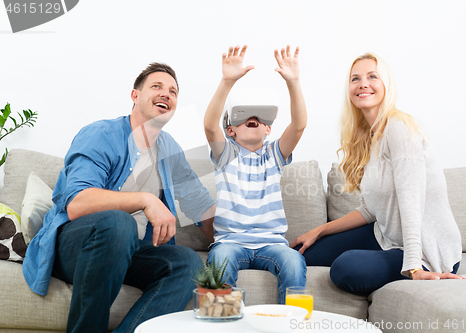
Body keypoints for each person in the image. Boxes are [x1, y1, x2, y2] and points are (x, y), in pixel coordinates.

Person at [23, 63, 217, 333]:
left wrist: (251, 236)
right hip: (79, 249)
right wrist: (147, 200)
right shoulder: (101, 134)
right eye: (157, 86)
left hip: (131, 253)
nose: (166, 94)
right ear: (135, 96)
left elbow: (202, 210)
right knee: (118, 223)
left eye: (173, 91)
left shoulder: (170, 148)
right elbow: (78, 202)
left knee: (188, 262)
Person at [290, 52, 464, 295]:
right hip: (386, 237)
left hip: (426, 250)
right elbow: (371, 210)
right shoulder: (369, 136)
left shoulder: (399, 128)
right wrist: (318, 230)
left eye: (373, 76)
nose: (363, 84)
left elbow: (411, 201)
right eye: (355, 79)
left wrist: (414, 268)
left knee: (346, 268)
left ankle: (412, 265)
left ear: (386, 85)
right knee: (302, 254)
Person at [203, 45, 308, 304]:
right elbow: (209, 125)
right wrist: (227, 81)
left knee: (294, 261)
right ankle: (220, 323)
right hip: (230, 241)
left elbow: (299, 125)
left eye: (261, 118)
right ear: (230, 131)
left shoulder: (274, 154)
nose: (254, 118)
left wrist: (293, 82)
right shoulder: (225, 154)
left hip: (271, 243)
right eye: (245, 116)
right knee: (219, 261)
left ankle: (293, 325)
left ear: (268, 130)